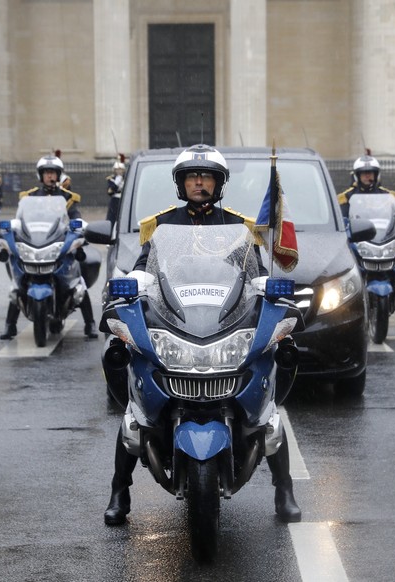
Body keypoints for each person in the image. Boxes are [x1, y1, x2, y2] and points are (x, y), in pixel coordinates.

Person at [103, 144, 301, 525]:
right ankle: (119, 490)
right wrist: (129, 285)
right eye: (192, 177)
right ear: (181, 184)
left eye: (206, 177)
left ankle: (284, 490)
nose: (199, 183)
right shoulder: (160, 226)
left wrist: (269, 290)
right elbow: (145, 269)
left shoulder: (241, 227)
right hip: (174, 318)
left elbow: (254, 273)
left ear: (218, 184)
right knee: (135, 404)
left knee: (268, 402)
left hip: (226, 319)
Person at [0, 154, 99, 340]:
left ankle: (90, 323)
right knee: (19, 280)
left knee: (78, 280)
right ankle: (10, 325)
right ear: (41, 175)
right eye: (47, 173)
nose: (50, 177)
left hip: (59, 241)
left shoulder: (68, 197)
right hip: (36, 241)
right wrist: (11, 230)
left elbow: (75, 217)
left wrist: (80, 229)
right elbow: (20, 219)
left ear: (59, 175)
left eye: (53, 173)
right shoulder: (30, 196)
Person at [338, 151, 395, 339]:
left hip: (383, 241)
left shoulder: (388, 195)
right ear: (356, 176)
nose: (368, 176)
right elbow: (342, 221)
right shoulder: (347, 197)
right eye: (364, 173)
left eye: (371, 172)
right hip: (360, 241)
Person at [105, 154, 126, 224]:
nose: (119, 171)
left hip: (124, 200)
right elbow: (110, 192)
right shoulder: (111, 179)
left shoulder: (127, 178)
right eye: (117, 169)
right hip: (115, 201)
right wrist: (116, 183)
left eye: (120, 169)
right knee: (112, 219)